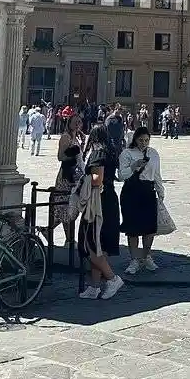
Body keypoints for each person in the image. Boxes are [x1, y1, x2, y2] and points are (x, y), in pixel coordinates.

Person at [77, 125, 124, 300]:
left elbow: (97, 180)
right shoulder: (111, 153)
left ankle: (112, 279)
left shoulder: (98, 153)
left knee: (90, 244)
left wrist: (82, 180)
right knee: (100, 246)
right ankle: (95, 286)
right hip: (109, 200)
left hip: (98, 203)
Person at [119, 127, 163, 274]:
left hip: (148, 191)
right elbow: (121, 175)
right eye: (141, 140)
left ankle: (146, 256)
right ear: (135, 139)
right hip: (131, 191)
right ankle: (134, 259)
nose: (144, 143)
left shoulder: (153, 153)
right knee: (133, 228)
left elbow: (157, 173)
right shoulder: (127, 153)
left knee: (149, 228)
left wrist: (160, 191)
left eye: (146, 140)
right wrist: (134, 166)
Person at [51, 115, 84, 244]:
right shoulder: (66, 137)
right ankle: (69, 239)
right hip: (66, 176)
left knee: (70, 207)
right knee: (65, 206)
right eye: (74, 122)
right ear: (69, 123)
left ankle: (66, 237)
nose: (77, 124)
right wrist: (72, 153)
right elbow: (60, 157)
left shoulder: (78, 136)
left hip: (75, 176)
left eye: (79, 122)